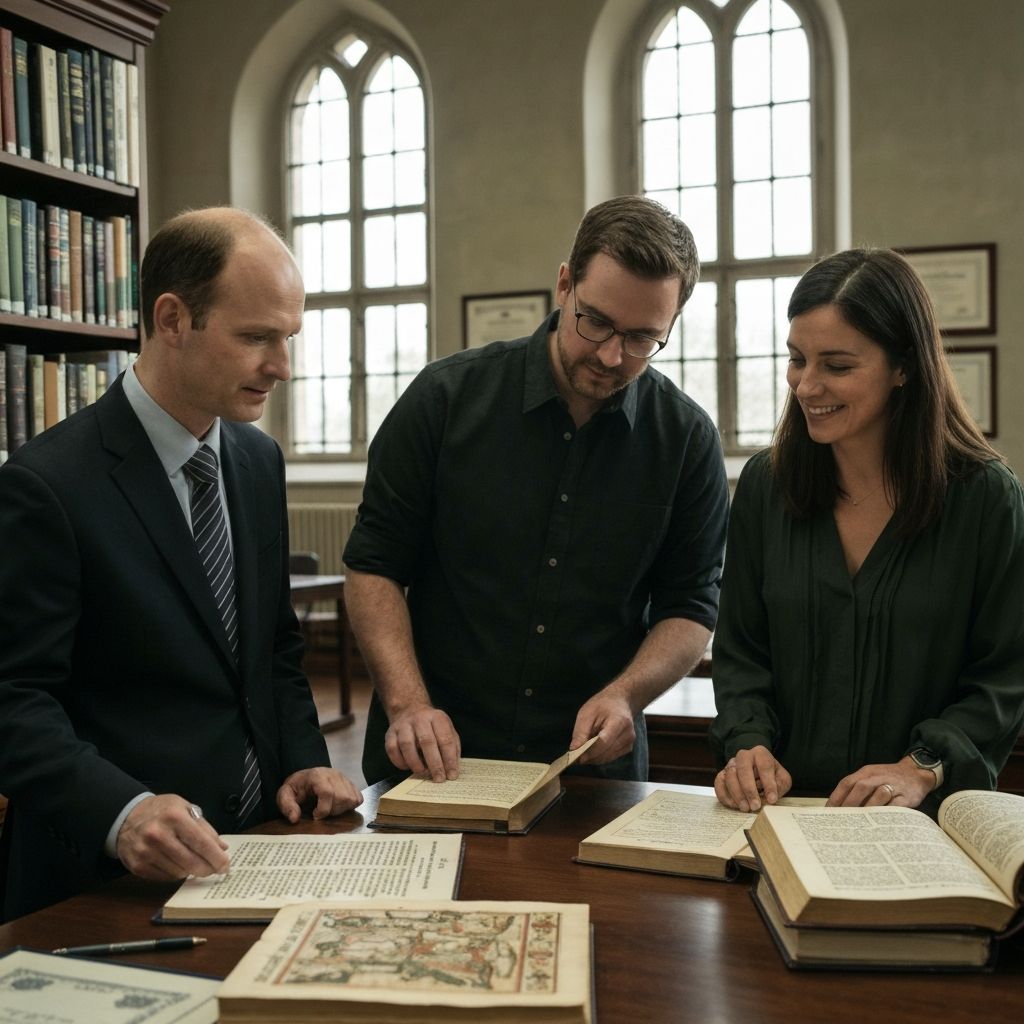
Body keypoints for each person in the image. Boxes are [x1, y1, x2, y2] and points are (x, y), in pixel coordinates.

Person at [0, 208, 362, 921]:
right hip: (106, 882)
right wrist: (122, 811)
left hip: (260, 851)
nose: (282, 367)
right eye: (256, 337)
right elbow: (13, 699)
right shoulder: (46, 484)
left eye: (288, 339)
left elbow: (274, 649)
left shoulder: (257, 461)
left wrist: (304, 759)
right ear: (171, 319)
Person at [343, 195, 729, 787]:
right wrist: (408, 704)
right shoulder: (443, 400)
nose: (611, 355)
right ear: (564, 284)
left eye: (641, 339)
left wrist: (627, 694)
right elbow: (374, 566)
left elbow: (691, 606)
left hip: (591, 769)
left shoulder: (687, 440)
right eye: (596, 321)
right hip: (435, 753)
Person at [710, 247, 1024, 816]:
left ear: (904, 367)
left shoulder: (985, 498)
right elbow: (742, 653)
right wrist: (748, 742)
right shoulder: (765, 486)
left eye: (837, 366)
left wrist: (919, 767)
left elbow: (1005, 675)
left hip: (918, 822)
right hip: (778, 814)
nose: (806, 386)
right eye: (797, 359)